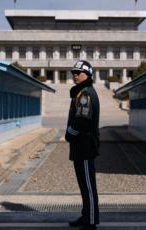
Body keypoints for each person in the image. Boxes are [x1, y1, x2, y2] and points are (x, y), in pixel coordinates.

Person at [65, 60, 100, 230]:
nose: (75, 75)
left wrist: (69, 135)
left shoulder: (85, 94)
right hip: (81, 146)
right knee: (84, 185)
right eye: (74, 72)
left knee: (88, 186)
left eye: (79, 73)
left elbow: (81, 122)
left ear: (88, 75)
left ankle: (91, 221)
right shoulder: (80, 92)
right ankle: (86, 216)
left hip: (85, 146)